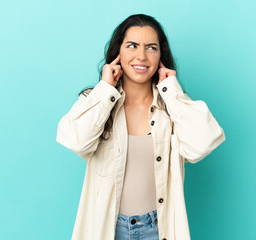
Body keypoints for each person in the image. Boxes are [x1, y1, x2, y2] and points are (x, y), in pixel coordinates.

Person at [56, 13, 226, 240]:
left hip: (157, 229)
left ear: (160, 57)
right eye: (132, 46)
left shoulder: (172, 107)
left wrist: (172, 92)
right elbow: (75, 141)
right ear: (118, 53)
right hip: (107, 228)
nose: (141, 56)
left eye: (151, 48)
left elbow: (202, 145)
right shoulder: (97, 102)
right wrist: (106, 88)